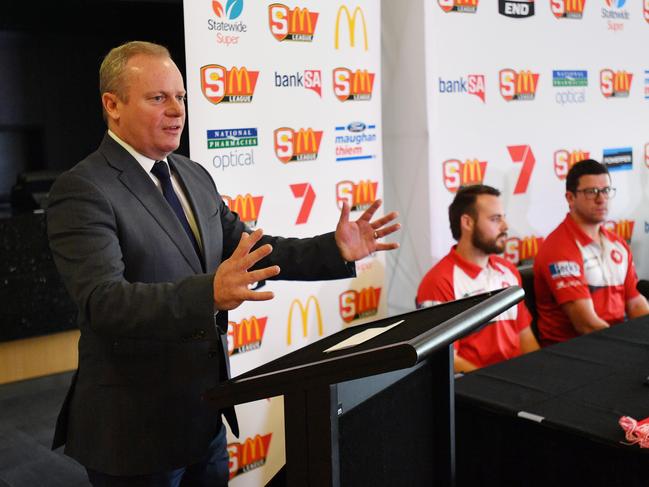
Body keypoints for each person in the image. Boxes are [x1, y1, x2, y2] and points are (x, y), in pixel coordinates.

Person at [47, 41, 400, 486]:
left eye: (182, 97)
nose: (177, 110)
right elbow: (104, 302)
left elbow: (252, 248)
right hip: (134, 431)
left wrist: (333, 249)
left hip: (206, 416)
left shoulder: (192, 174)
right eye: (158, 98)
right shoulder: (83, 189)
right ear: (112, 105)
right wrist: (208, 292)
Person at [416, 185, 538, 373]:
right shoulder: (438, 281)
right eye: (495, 219)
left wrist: (541, 373)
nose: (505, 226)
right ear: (467, 222)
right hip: (476, 389)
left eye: (503, 217)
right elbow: (449, 359)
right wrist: (493, 385)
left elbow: (525, 336)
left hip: (517, 380)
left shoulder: (508, 270)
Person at [534, 159, 649, 347]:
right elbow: (586, 325)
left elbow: (636, 304)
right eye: (591, 192)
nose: (601, 198)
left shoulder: (617, 244)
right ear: (570, 198)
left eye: (605, 191)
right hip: (574, 353)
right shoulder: (559, 248)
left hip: (614, 344)